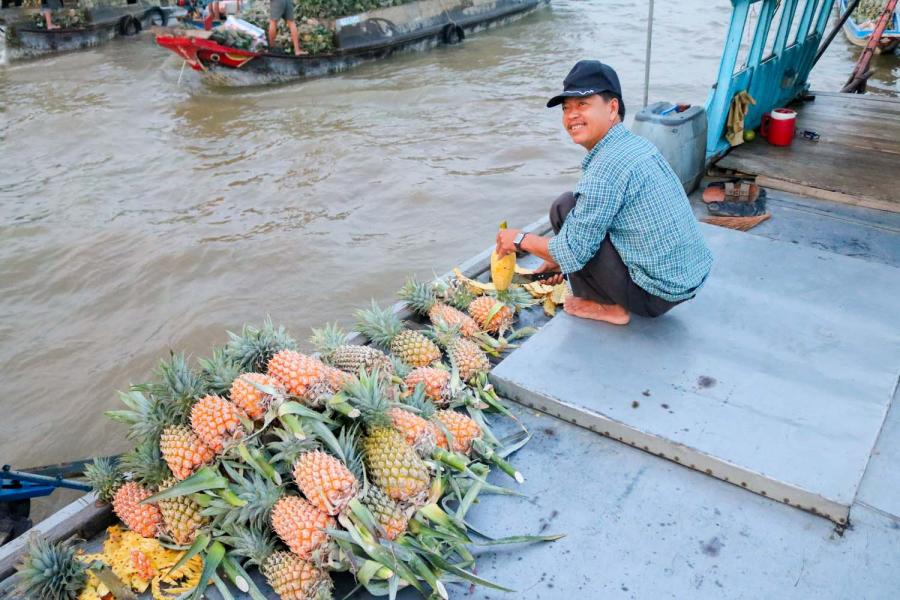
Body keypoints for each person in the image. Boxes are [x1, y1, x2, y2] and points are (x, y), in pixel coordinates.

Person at [495, 60, 713, 326]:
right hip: (685, 279)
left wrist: (518, 239)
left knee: (563, 209)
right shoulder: (633, 144)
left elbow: (572, 252)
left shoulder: (606, 166)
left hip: (654, 295)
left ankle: (608, 306)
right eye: (567, 108)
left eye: (582, 104)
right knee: (572, 209)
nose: (571, 115)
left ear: (612, 109)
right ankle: (607, 293)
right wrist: (554, 260)